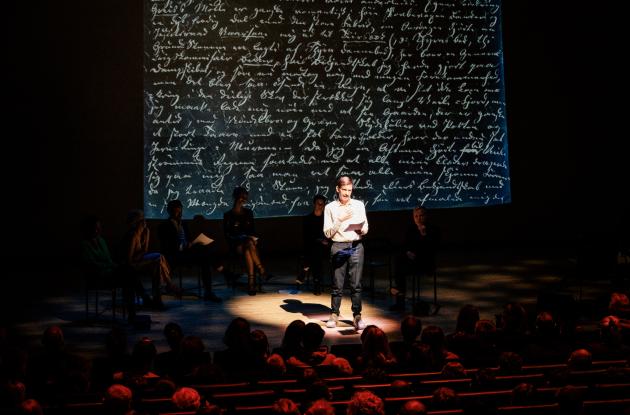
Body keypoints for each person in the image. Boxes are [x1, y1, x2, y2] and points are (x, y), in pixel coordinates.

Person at [80, 215, 151, 321]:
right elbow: (92, 264)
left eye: (99, 227)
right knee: (128, 273)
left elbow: (108, 260)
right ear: (88, 229)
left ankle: (134, 311)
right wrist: (111, 266)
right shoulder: (84, 245)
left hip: (110, 273)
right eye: (95, 228)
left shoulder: (101, 241)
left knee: (128, 275)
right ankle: (142, 298)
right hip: (97, 277)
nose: (98, 230)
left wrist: (114, 266)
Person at [158, 199, 226, 302]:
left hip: (186, 252)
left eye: (180, 210)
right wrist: (183, 246)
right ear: (170, 211)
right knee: (204, 253)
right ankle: (222, 271)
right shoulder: (164, 226)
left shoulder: (183, 224)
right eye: (176, 211)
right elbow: (167, 246)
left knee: (204, 255)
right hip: (175, 255)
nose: (179, 213)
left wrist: (190, 244)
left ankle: (209, 291)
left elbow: (188, 240)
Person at [323, 175, 369, 331]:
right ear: (337, 189)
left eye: (350, 190)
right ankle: (334, 314)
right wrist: (340, 219)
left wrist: (361, 229)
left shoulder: (359, 205)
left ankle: (357, 316)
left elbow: (365, 228)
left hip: (356, 245)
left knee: (356, 284)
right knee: (337, 284)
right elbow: (328, 233)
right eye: (344, 190)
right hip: (338, 246)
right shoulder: (330, 208)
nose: (347, 193)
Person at [120, 209, 179, 309]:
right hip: (132, 264)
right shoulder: (132, 236)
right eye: (142, 221)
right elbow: (129, 260)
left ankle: (162, 293)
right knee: (158, 262)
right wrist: (141, 256)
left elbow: (144, 251)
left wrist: (145, 236)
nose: (145, 223)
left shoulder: (145, 232)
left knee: (159, 258)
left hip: (140, 259)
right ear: (136, 223)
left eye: (144, 220)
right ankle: (168, 286)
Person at [390, 206, 440, 313]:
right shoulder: (411, 229)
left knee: (400, 264)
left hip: (426, 262)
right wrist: (408, 252)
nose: (418, 218)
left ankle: (399, 294)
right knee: (399, 260)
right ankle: (400, 297)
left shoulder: (433, 229)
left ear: (425, 216)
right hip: (412, 262)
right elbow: (405, 245)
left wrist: (423, 234)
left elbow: (432, 248)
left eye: (421, 216)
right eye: (416, 216)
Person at [223, 186, 272, 295]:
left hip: (249, 245)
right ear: (236, 197)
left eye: (245, 197)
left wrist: (253, 238)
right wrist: (239, 237)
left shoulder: (248, 213)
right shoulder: (228, 215)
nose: (244, 200)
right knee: (247, 245)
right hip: (236, 245)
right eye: (242, 197)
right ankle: (262, 271)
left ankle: (251, 283)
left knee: (248, 247)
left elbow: (253, 231)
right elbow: (227, 235)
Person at [297, 194, 330, 295]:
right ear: (314, 204)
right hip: (313, 246)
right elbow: (307, 237)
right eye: (318, 204)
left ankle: (305, 268)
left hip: (324, 247)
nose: (320, 206)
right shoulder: (308, 219)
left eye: (322, 204)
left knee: (317, 251)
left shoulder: (327, 219)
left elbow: (329, 233)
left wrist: (324, 240)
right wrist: (320, 240)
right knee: (315, 251)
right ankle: (317, 283)